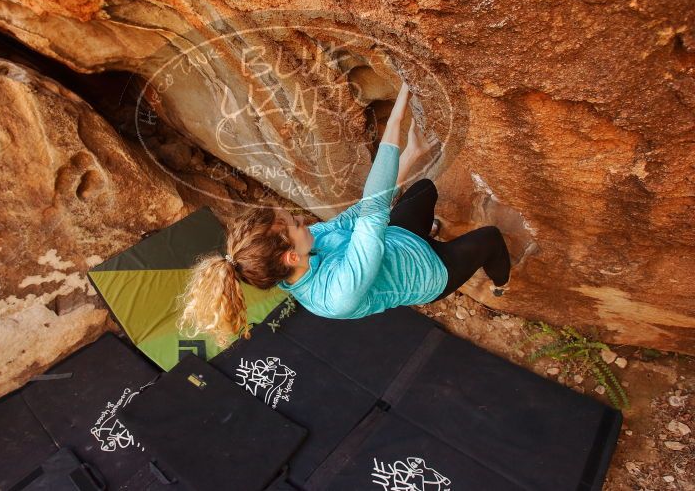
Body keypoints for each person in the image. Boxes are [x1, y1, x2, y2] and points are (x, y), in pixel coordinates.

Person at [176, 82, 511, 348]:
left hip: (396, 240)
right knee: (490, 239)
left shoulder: (309, 247)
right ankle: (500, 284)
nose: (302, 221)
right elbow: (373, 210)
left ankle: (428, 230)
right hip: (429, 273)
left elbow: (359, 216)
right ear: (292, 255)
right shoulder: (337, 296)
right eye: (295, 225)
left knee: (423, 188)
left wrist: (411, 154)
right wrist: (399, 112)